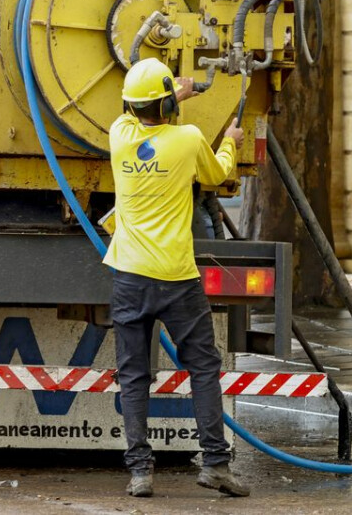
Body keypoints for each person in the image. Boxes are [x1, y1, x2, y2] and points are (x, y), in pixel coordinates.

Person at [103, 58, 249, 497]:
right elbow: (217, 174)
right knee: (203, 368)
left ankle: (140, 472)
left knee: (133, 376)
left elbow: (135, 112)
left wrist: (169, 94)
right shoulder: (188, 140)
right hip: (178, 278)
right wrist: (230, 142)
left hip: (129, 277)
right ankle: (215, 465)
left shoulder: (119, 136)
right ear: (168, 104)